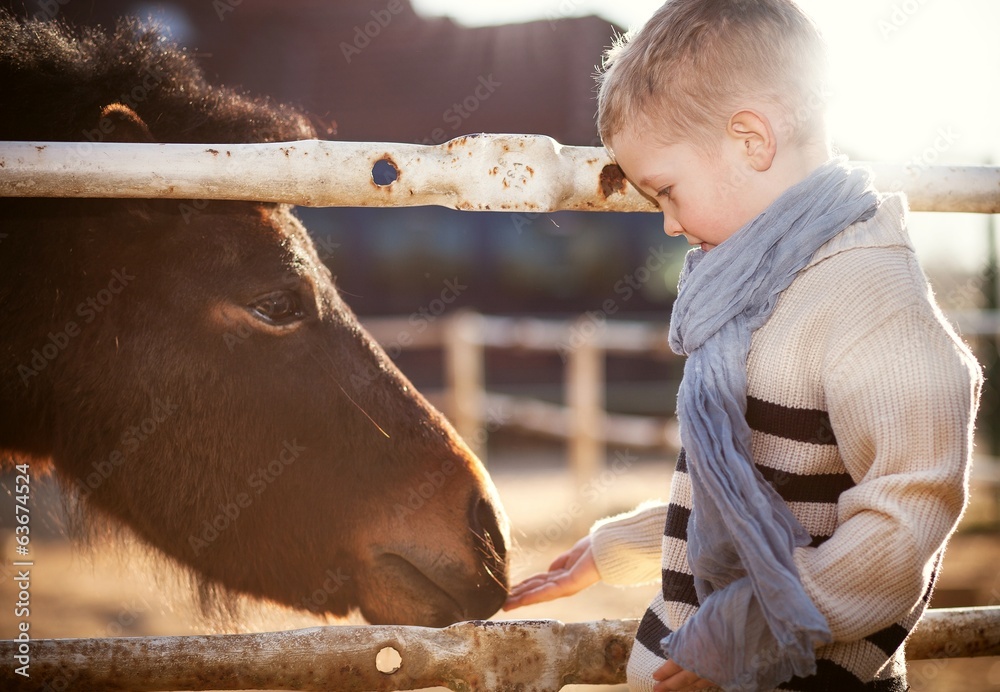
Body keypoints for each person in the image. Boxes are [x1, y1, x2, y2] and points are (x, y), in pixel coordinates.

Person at [503, 1, 984, 690]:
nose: (668, 224)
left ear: (750, 140)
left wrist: (747, 634)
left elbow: (905, 525)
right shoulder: (759, 290)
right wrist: (618, 547)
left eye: (667, 191)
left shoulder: (868, 298)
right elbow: (762, 492)